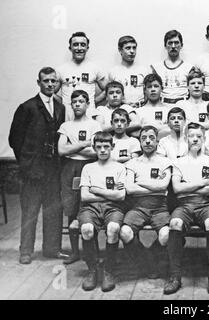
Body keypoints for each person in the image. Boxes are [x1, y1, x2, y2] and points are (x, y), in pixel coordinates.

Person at [9, 67, 68, 264]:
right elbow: (14, 139)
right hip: (32, 170)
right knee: (30, 210)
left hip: (53, 169)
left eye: (53, 81)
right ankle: (26, 250)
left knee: (53, 209)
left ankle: (51, 249)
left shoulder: (60, 107)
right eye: (46, 81)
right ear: (39, 83)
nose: (50, 84)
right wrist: (26, 163)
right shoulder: (27, 107)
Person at [164, 122, 209, 295]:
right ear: (185, 138)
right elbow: (177, 189)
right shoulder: (178, 162)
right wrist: (202, 182)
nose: (195, 139)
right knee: (174, 223)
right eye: (191, 136)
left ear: (204, 139)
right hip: (184, 205)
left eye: (198, 136)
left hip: (206, 204)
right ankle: (175, 276)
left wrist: (190, 185)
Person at [120, 125, 172, 279]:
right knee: (125, 233)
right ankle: (147, 262)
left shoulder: (165, 162)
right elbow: (129, 189)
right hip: (138, 208)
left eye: (151, 138)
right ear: (140, 142)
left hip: (160, 208)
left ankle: (151, 258)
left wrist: (140, 182)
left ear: (157, 142)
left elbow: (163, 187)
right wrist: (154, 186)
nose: (148, 141)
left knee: (166, 235)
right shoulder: (132, 163)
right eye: (144, 139)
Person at [78, 131, 126, 292]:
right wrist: (109, 194)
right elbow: (84, 196)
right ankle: (92, 269)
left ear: (112, 146)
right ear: (94, 148)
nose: (103, 150)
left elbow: (120, 196)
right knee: (86, 229)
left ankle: (108, 270)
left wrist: (97, 190)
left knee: (113, 229)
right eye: (99, 147)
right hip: (89, 209)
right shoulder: (88, 168)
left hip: (113, 208)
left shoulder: (119, 167)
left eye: (106, 146)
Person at [57, 90, 101, 264]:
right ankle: (75, 252)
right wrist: (84, 144)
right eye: (74, 101)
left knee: (90, 207)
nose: (77, 104)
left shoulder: (94, 126)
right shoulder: (66, 126)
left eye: (81, 101)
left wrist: (73, 146)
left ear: (88, 104)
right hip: (70, 168)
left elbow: (96, 151)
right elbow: (61, 150)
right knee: (71, 207)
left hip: (89, 166)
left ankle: (94, 251)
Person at [56, 32, 108, 120]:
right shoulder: (61, 70)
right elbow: (50, 92)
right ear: (70, 48)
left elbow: (108, 89)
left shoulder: (95, 68)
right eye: (75, 45)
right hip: (68, 116)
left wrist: (93, 101)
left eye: (83, 45)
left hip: (89, 115)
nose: (79, 48)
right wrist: (64, 103)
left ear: (87, 48)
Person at [151, 30, 193, 104]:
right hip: (163, 104)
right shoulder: (157, 67)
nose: (173, 46)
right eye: (170, 43)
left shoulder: (189, 67)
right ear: (165, 45)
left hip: (183, 104)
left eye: (176, 43)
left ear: (181, 45)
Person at [109, 35, 150, 107]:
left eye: (134, 48)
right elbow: (110, 94)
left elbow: (148, 92)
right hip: (121, 110)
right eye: (128, 48)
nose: (132, 51)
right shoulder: (113, 72)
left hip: (140, 108)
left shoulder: (144, 70)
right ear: (120, 50)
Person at [134, 73, 171, 139]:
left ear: (162, 88)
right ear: (145, 90)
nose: (153, 89)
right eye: (149, 87)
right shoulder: (138, 112)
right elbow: (135, 132)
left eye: (156, 86)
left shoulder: (169, 110)